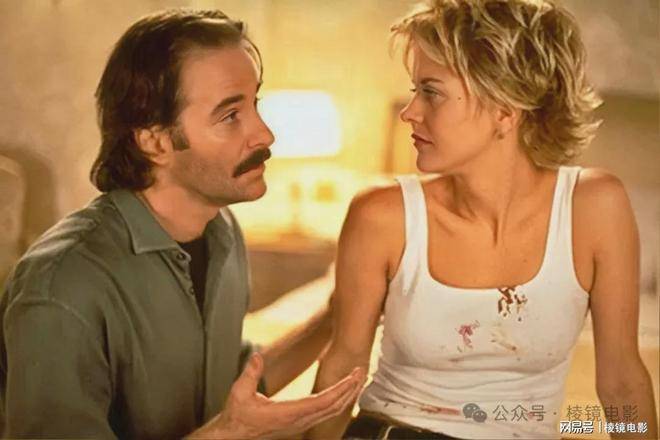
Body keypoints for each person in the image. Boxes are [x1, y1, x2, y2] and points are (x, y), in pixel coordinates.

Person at [0, 9, 366, 439]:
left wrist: (335, 315)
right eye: (230, 115)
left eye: (255, 105)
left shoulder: (221, 231)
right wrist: (228, 433)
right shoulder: (63, 286)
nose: (265, 134)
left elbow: (229, 386)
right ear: (154, 141)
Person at [309, 0, 658, 439]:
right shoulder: (382, 215)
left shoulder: (595, 208)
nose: (409, 112)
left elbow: (622, 381)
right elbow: (343, 365)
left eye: (431, 91)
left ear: (505, 110)